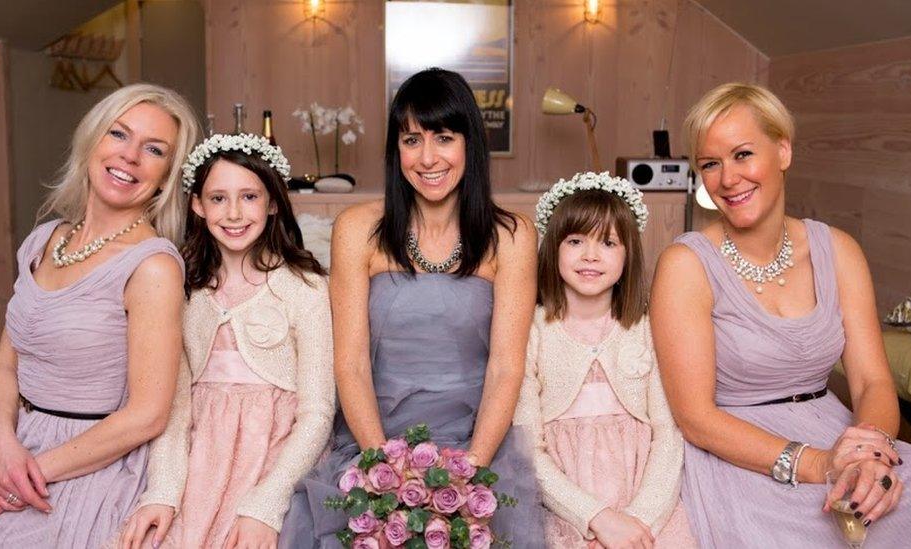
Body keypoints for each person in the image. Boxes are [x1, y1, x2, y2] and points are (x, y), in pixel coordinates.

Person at [279, 67, 544, 547]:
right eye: (411, 140)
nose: (427, 158)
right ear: (394, 149)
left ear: (470, 145)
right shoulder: (358, 229)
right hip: (372, 440)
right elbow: (351, 364)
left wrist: (468, 475)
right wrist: (385, 475)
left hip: (477, 441)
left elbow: (507, 367)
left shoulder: (513, 236)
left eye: (444, 137)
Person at [650, 82, 911, 547]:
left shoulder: (839, 250)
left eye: (742, 154)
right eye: (710, 164)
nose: (727, 179)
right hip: (740, 454)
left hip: (842, 435)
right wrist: (817, 463)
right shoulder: (685, 264)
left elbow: (873, 382)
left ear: (783, 150)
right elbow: (694, 416)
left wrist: (870, 453)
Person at [0, 83, 199, 547]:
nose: (130, 156)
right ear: (92, 141)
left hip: (86, 462)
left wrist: (23, 479)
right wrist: (2, 442)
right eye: (119, 135)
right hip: (16, 438)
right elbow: (6, 363)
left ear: (166, 176)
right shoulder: (44, 239)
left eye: (154, 149)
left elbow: (146, 416)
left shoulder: (153, 267)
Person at [119, 134, 334, 549]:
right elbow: (176, 411)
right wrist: (163, 491)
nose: (233, 213)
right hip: (201, 462)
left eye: (249, 196)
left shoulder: (305, 289)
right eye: (218, 199)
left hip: (277, 458)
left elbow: (317, 412)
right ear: (197, 205)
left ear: (273, 202)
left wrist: (266, 503)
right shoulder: (183, 291)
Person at [514, 173, 697, 548]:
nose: (591, 256)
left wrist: (637, 522)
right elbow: (528, 448)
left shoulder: (645, 327)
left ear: (628, 255)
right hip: (565, 505)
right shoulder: (531, 330)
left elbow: (668, 434)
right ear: (553, 248)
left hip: (645, 499)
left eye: (608, 242)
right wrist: (597, 518)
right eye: (576, 240)